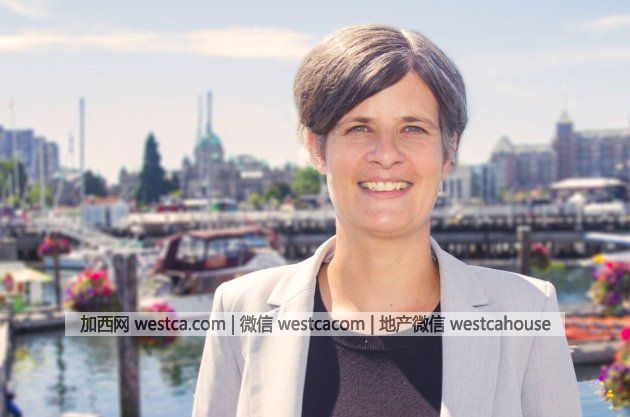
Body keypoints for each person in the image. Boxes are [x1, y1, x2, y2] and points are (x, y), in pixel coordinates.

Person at [192, 24, 582, 417]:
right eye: (359, 127)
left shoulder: (528, 313)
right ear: (316, 148)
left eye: (413, 128)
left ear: (450, 149)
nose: (386, 154)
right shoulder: (241, 311)